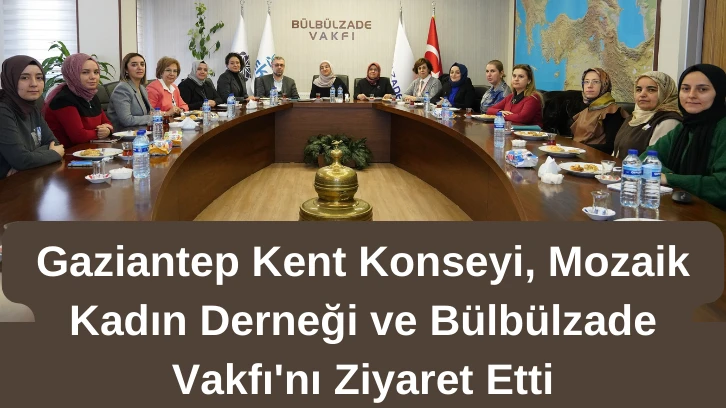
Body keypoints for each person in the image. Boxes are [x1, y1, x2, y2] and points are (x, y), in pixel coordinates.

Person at [645, 63, 726, 210]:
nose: (691, 95)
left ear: (720, 93)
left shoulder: (722, 129)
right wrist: (668, 176)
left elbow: (721, 187)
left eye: (702, 89)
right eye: (685, 89)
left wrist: (669, 178)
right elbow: (645, 158)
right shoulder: (684, 127)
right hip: (682, 208)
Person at [0, 55, 64, 178]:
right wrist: (52, 154)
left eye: (39, 78)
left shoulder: (32, 107)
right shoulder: (3, 111)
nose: (34, 84)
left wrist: (29, 159)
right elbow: (22, 160)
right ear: (10, 80)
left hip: (26, 178)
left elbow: (55, 143)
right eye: (24, 78)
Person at [43, 53, 113, 147]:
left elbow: (107, 123)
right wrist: (100, 132)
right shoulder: (63, 99)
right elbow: (79, 136)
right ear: (72, 74)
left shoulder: (91, 96)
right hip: (66, 153)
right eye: (85, 72)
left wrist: (108, 130)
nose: (93, 77)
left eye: (96, 72)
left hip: (89, 150)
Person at [612, 71, 682, 158]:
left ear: (666, 93)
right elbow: (617, 151)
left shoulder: (669, 121)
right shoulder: (633, 117)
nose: (642, 94)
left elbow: (654, 159)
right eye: (639, 90)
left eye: (651, 90)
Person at [570, 67, 629, 153]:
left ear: (604, 85)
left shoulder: (612, 111)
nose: (589, 86)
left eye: (596, 82)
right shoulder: (586, 110)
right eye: (586, 82)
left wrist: (579, 148)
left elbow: (611, 147)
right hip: (576, 155)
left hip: (595, 158)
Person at [107, 53, 153, 131]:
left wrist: (160, 114)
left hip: (141, 131)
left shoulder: (142, 88)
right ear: (126, 69)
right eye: (134, 65)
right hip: (123, 133)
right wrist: (152, 118)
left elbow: (151, 111)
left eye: (142, 64)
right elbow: (126, 120)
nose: (139, 67)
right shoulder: (122, 89)